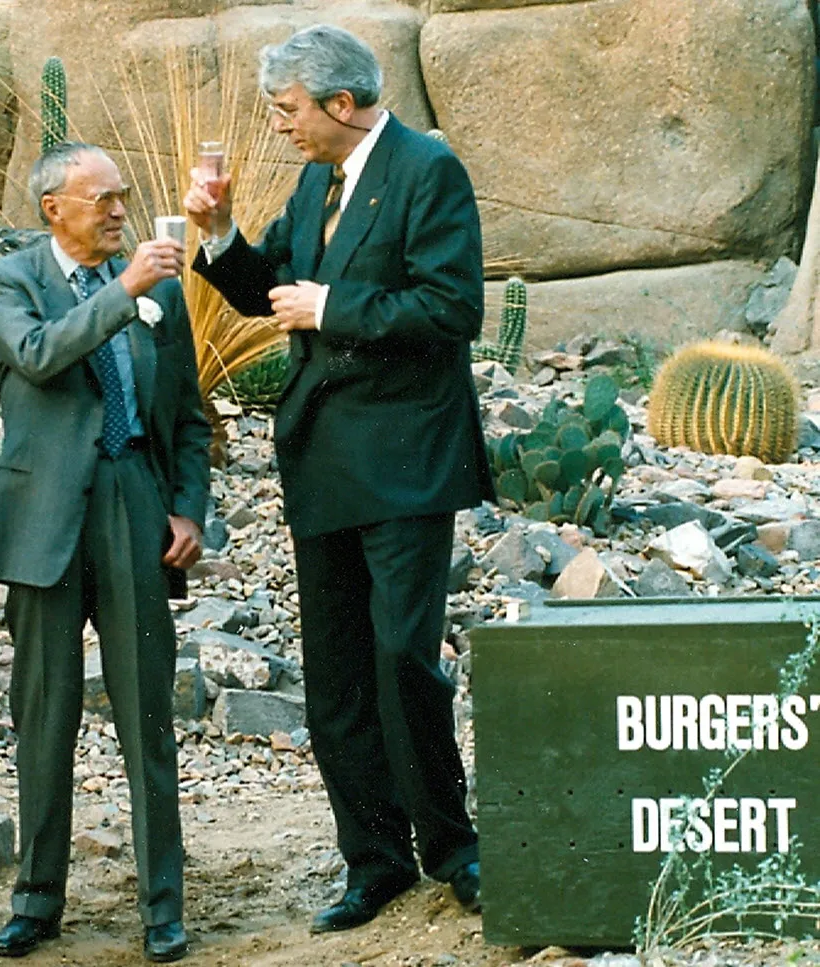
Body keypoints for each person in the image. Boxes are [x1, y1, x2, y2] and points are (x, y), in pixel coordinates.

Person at [184, 24, 495, 934]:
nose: (279, 126)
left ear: (343, 103)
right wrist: (220, 234)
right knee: (336, 676)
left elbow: (453, 306)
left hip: (405, 459)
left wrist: (333, 306)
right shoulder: (316, 178)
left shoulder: (428, 171)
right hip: (322, 457)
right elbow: (267, 289)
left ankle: (453, 848)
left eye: (287, 110)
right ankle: (375, 861)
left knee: (403, 659)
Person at [0, 141, 210, 963]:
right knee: (44, 712)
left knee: (147, 712)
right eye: (102, 198)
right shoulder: (6, 279)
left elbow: (188, 415)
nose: (118, 211)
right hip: (42, 514)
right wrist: (124, 292)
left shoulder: (158, 287)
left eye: (123, 196)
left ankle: (164, 906)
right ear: (53, 209)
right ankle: (36, 900)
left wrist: (188, 507)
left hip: (133, 499)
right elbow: (39, 355)